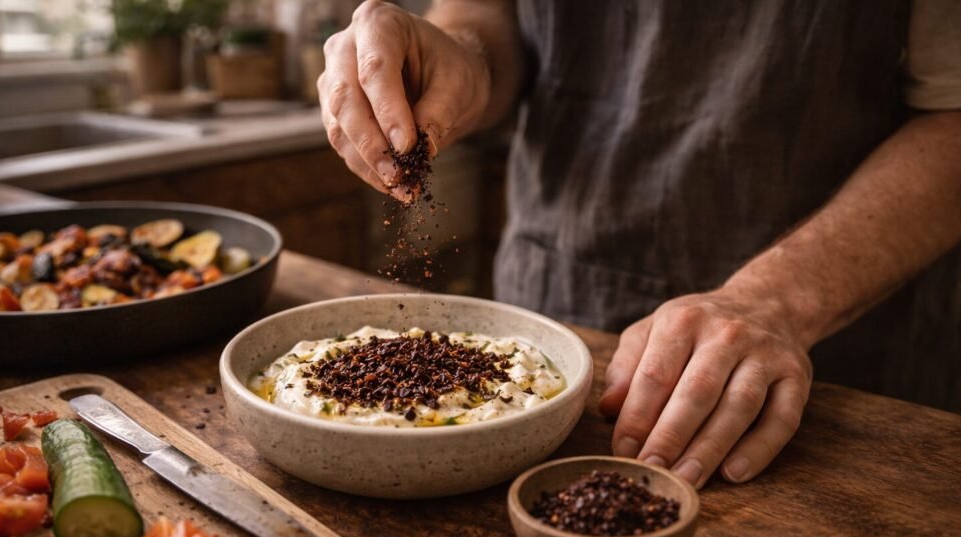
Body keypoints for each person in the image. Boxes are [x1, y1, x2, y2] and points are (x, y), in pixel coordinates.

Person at [317, 0, 961, 488]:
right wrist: (462, 54)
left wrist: (778, 300)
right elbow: (491, 19)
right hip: (556, 311)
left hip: (840, 353)